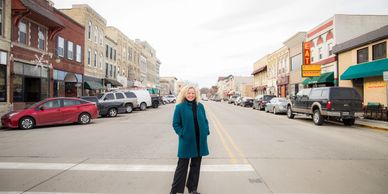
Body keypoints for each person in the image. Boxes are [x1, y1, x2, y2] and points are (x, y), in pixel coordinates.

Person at [170, 86, 210, 194]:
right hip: (187, 141)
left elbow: (205, 121)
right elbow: (175, 124)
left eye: (193, 93)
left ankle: (192, 188)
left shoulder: (200, 106)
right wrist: (182, 133)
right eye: (189, 93)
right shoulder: (180, 107)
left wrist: (206, 131)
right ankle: (175, 191)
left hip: (199, 142)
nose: (191, 95)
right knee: (182, 167)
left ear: (196, 94)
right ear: (184, 94)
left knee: (195, 167)